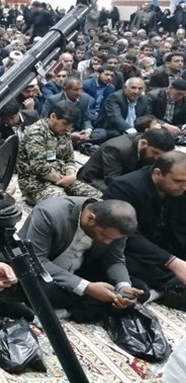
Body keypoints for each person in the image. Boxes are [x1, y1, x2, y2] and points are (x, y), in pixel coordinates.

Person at [19, 197, 148, 322]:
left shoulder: (115, 226)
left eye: (112, 239)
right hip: (44, 272)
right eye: (104, 236)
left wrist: (123, 287)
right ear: (91, 219)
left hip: (80, 269)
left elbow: (114, 260)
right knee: (42, 291)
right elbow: (35, 260)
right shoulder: (50, 213)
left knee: (138, 292)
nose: (107, 242)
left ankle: (73, 309)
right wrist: (87, 287)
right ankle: (84, 308)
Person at [102, 152, 186, 309]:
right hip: (131, 250)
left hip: (163, 245)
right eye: (178, 181)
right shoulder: (124, 188)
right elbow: (125, 236)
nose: (184, 187)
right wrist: (171, 261)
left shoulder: (180, 189)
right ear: (158, 173)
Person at [17, 100, 103, 205]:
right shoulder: (35, 132)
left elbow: (69, 158)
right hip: (36, 184)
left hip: (62, 177)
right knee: (63, 205)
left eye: (71, 125)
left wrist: (71, 175)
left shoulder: (64, 132)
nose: (68, 128)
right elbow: (39, 166)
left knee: (98, 198)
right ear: (53, 116)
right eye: (65, 124)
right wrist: (63, 180)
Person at [76, 129, 176, 192]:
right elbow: (113, 180)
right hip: (95, 179)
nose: (157, 158)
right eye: (155, 153)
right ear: (143, 143)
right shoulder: (116, 148)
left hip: (127, 176)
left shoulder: (149, 148)